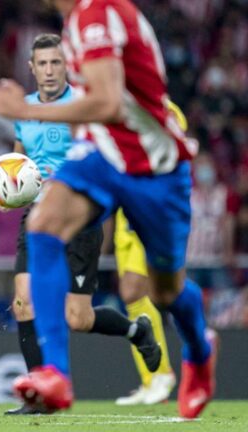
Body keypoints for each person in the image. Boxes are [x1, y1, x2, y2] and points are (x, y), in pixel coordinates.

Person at [0, 0, 216, 419]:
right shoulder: (74, 22)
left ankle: (200, 350)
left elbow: (108, 104)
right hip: (102, 155)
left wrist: (26, 110)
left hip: (153, 165)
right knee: (43, 224)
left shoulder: (97, 14)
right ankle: (53, 374)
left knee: (165, 291)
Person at [5, 33, 161, 416]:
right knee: (23, 301)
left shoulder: (83, 104)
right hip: (38, 216)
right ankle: (38, 395)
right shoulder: (24, 111)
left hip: (78, 216)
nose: (49, 70)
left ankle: (136, 330)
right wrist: (9, 187)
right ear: (32, 68)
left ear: (67, 65)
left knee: (78, 318)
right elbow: (19, 162)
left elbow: (100, 154)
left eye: (55, 62)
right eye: (42, 63)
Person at [113, 100, 191, 406]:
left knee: (146, 291)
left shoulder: (166, 110)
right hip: (125, 214)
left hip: (150, 207)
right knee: (132, 296)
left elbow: (169, 158)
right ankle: (154, 378)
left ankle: (172, 369)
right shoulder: (120, 105)